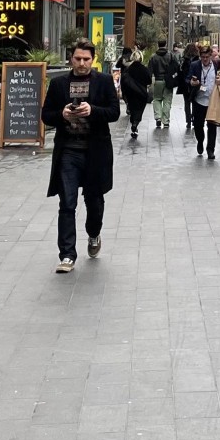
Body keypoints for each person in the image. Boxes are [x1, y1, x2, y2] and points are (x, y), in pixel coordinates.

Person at [41, 40, 119, 273]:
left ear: (92, 60)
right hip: (68, 152)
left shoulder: (104, 82)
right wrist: (62, 114)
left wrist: (92, 111)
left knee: (94, 201)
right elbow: (46, 115)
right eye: (78, 59)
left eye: (86, 59)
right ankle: (67, 255)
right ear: (71, 59)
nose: (82, 63)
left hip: (95, 151)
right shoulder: (58, 84)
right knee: (67, 202)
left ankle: (93, 233)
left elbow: (114, 112)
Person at [185, 42, 220, 160]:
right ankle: (200, 140)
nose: (205, 59)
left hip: (212, 101)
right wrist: (191, 82)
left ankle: (210, 150)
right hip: (198, 100)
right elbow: (187, 78)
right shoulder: (195, 65)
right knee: (198, 126)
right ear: (200, 56)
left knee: (212, 126)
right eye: (202, 57)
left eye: (207, 57)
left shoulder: (216, 64)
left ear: (210, 56)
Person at [121, 47, 152, 142]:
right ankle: (135, 123)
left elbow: (124, 81)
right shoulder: (144, 69)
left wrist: (124, 93)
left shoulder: (128, 69)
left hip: (130, 93)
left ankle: (133, 122)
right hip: (141, 93)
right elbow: (149, 80)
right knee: (139, 110)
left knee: (132, 109)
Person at [149, 40, 178, 131]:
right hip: (168, 80)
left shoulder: (153, 57)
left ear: (158, 45)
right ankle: (165, 121)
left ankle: (158, 117)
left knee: (157, 99)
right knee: (167, 100)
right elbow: (176, 66)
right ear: (165, 45)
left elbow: (149, 70)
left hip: (158, 80)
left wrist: (149, 81)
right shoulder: (170, 55)